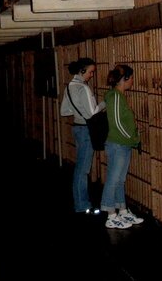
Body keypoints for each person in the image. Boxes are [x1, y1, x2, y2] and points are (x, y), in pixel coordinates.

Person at [100, 64, 144, 229]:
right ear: (124, 79)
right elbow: (117, 122)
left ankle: (123, 211)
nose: (132, 81)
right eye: (131, 77)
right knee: (113, 179)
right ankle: (110, 214)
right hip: (119, 143)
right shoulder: (116, 97)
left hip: (121, 143)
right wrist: (132, 137)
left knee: (120, 179)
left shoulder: (116, 96)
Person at [60, 57, 105, 215]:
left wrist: (78, 111)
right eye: (91, 72)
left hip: (77, 129)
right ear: (83, 70)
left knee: (80, 167)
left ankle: (81, 202)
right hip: (86, 130)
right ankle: (82, 204)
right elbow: (92, 112)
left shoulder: (69, 87)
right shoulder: (83, 88)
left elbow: (64, 111)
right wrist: (105, 103)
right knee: (83, 169)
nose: (92, 75)